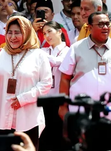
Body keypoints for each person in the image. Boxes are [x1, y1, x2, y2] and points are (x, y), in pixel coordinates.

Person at [0, 16, 52, 150]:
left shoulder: (38, 55)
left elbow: (46, 83)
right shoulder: (1, 52)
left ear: (27, 32)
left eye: (18, 32)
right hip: (2, 114)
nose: (12, 37)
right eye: (10, 32)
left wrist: (24, 98)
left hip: (27, 115)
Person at [39, 21, 69, 150]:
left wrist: (40, 54)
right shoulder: (44, 50)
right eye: (44, 33)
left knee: (59, 136)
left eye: (50, 31)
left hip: (59, 100)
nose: (47, 35)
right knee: (44, 137)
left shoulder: (68, 50)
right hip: (43, 99)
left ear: (59, 31)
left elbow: (58, 62)